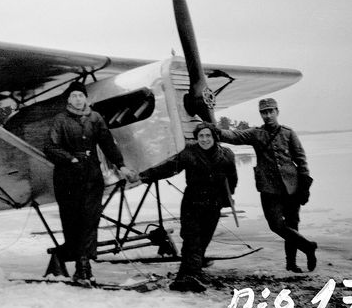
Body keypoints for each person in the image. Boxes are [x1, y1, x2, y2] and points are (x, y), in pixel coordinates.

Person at [44, 81, 136, 286]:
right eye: (74, 95)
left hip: (92, 176)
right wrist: (71, 159)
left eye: (81, 95)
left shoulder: (95, 118)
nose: (78, 99)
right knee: (73, 222)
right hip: (68, 178)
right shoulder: (60, 120)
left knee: (90, 220)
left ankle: (84, 266)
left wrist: (121, 165)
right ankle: (81, 266)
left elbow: (107, 143)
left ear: (86, 98)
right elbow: (50, 147)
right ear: (68, 99)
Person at [219, 98, 317, 273]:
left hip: (291, 186)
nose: (268, 115)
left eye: (271, 111)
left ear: (277, 112)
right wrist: (214, 130)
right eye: (264, 112)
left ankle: (291, 264)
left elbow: (301, 161)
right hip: (268, 188)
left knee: (292, 224)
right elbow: (234, 136)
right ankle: (308, 247)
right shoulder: (256, 134)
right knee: (275, 225)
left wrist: (304, 187)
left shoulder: (289, 133)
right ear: (261, 114)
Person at [139, 122, 238, 292]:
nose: (205, 139)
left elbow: (232, 178)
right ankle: (190, 276)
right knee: (192, 240)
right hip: (192, 203)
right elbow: (169, 167)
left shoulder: (226, 155)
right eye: (201, 136)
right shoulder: (189, 153)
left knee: (204, 240)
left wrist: (226, 199)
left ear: (214, 137)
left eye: (208, 136)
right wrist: (145, 175)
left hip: (213, 205)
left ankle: (187, 276)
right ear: (196, 138)